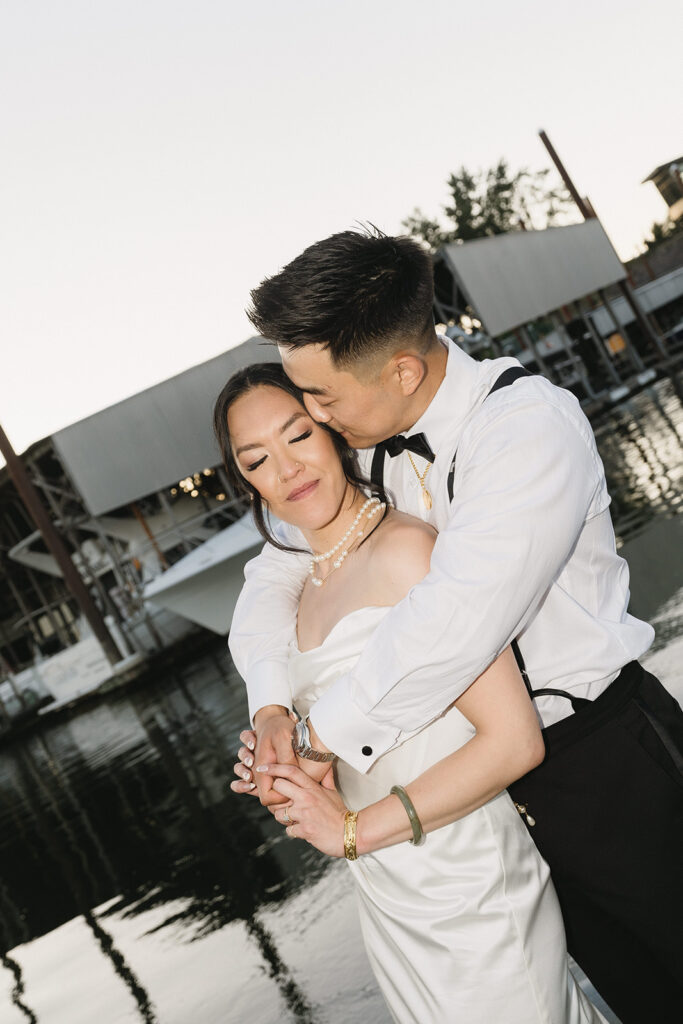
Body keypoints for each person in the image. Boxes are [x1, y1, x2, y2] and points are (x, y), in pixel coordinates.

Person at [228, 228, 683, 1024]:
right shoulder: (368, 450)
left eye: (322, 399)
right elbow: (274, 568)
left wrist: (313, 741)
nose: (314, 417)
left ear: (401, 370)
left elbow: (454, 621)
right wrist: (270, 703)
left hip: (609, 766)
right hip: (494, 799)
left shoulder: (524, 429)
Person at [215, 361, 605, 1024]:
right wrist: (288, 756)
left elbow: (513, 741)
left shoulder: (407, 553)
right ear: (245, 481)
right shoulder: (297, 588)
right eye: (256, 459)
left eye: (298, 436)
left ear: (333, 430)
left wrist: (348, 830)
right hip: (388, 890)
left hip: (468, 881)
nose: (285, 470)